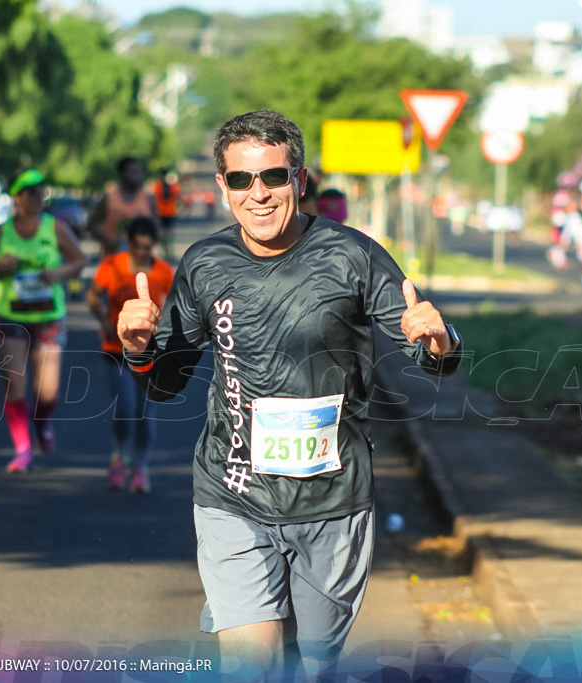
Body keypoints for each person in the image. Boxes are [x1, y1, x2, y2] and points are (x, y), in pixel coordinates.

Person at [115, 110, 462, 678]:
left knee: (312, 664)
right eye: (241, 180)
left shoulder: (351, 255)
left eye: (273, 177)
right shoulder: (205, 263)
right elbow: (164, 382)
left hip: (333, 502)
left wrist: (440, 343)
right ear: (222, 186)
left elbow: (429, 353)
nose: (259, 194)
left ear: (298, 181)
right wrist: (135, 348)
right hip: (233, 496)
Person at [0, 168, 87, 473]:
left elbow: (79, 260)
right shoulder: (0, 233)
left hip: (49, 315)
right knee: (15, 385)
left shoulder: (55, 228)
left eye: (41, 191)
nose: (39, 197)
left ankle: (42, 420)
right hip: (10, 314)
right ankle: (23, 449)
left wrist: (59, 274)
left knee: (48, 392)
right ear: (17, 197)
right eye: (32, 192)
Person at [87, 216, 174, 492]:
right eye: (138, 246)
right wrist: (102, 316)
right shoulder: (111, 266)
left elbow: (175, 309)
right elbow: (92, 295)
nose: (143, 253)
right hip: (116, 349)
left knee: (147, 415)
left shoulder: (163, 272)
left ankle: (140, 468)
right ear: (129, 243)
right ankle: (120, 455)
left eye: (149, 247)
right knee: (125, 409)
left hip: (152, 353)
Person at [87, 157, 159, 255]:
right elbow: (92, 225)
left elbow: (157, 228)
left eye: (140, 172)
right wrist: (108, 240)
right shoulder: (109, 199)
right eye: (134, 172)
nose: (139, 176)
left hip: (141, 262)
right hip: (113, 261)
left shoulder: (148, 199)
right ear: (122, 174)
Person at [153, 171, 181, 260]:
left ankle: (163, 251)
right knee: (169, 232)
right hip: (170, 212)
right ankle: (170, 251)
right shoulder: (174, 186)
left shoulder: (157, 186)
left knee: (161, 232)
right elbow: (178, 196)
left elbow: (154, 197)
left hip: (160, 212)